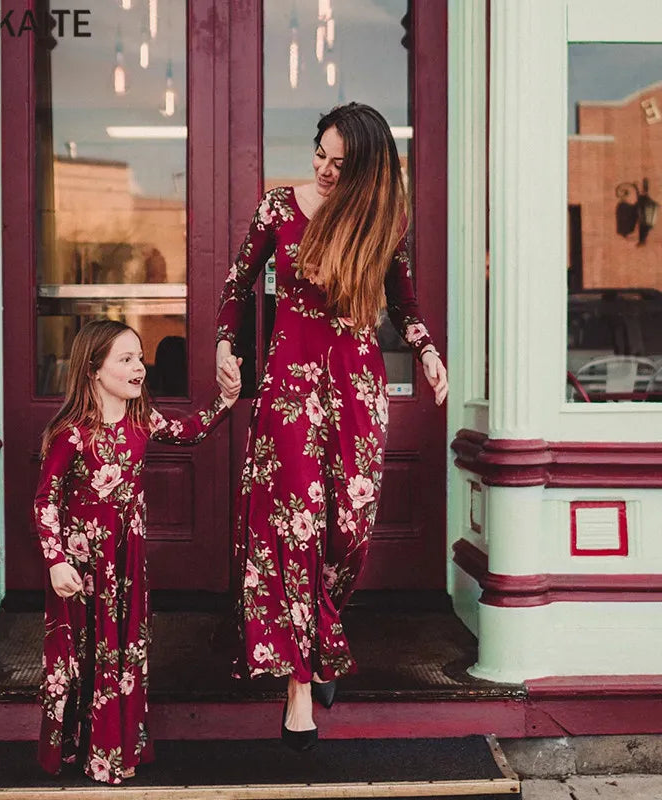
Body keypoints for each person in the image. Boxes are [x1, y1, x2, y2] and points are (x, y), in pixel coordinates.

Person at [215, 102, 448, 750]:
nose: (322, 169)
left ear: (365, 171)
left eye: (339, 164)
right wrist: (224, 348)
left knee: (349, 531)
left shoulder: (383, 221)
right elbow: (236, 286)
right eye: (319, 153)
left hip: (357, 390)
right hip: (289, 390)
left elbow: (404, 305)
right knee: (295, 529)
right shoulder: (277, 208)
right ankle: (298, 687)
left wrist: (427, 350)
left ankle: (320, 634)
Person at [35, 319, 239, 784]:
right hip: (82, 565)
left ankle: (115, 751)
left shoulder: (141, 420)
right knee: (81, 655)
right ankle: (79, 751)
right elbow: (45, 500)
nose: (139, 368)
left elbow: (189, 431)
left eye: (140, 358)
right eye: (125, 359)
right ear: (93, 369)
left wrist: (226, 399)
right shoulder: (72, 433)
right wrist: (56, 561)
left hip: (125, 562)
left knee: (123, 651)